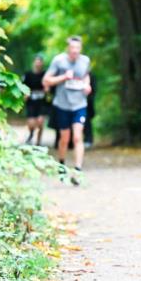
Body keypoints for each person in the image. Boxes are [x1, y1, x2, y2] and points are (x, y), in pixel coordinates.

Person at [43, 36, 91, 186]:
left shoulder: (85, 61)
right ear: (68, 48)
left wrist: (87, 86)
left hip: (79, 105)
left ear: (80, 48)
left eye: (78, 48)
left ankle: (77, 170)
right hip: (62, 105)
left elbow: (86, 76)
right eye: (72, 48)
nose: (75, 51)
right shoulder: (59, 61)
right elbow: (46, 80)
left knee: (77, 137)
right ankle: (62, 165)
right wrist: (64, 77)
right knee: (64, 138)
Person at [22, 55, 49, 145]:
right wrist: (25, 95)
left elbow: (49, 86)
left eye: (39, 62)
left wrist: (47, 89)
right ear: (33, 62)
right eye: (36, 61)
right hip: (31, 101)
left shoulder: (46, 74)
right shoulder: (27, 74)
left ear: (42, 63)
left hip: (42, 102)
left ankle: (38, 142)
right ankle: (31, 133)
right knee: (31, 123)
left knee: (40, 122)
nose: (38, 64)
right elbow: (23, 87)